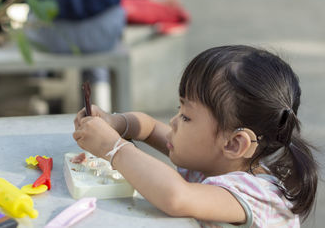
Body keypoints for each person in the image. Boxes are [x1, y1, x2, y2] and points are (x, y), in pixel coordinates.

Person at [73, 45, 318, 226]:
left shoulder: (255, 194)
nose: (173, 121)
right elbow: (147, 127)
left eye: (186, 117)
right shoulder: (214, 158)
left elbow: (175, 197)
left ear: (234, 144)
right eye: (179, 109)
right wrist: (115, 122)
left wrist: (113, 148)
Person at [26, 0, 125, 112]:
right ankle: (96, 99)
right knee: (112, 12)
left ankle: (44, 90)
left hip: (51, 37)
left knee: (34, 17)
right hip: (100, 35)